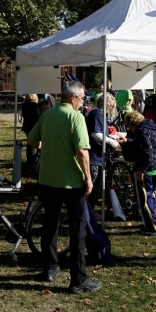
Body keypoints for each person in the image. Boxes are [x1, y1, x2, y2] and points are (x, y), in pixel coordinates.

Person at [26, 81, 101, 294]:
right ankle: (78, 279)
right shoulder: (76, 117)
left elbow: (32, 140)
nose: (84, 101)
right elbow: (82, 151)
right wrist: (88, 178)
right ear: (73, 98)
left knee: (50, 223)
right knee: (78, 227)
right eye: (83, 97)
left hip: (48, 179)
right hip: (72, 182)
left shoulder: (47, 115)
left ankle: (50, 267)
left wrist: (48, 144)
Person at [124, 111, 156, 236]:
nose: (130, 129)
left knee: (144, 199)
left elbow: (147, 150)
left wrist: (141, 169)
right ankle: (154, 219)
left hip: (148, 168)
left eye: (129, 126)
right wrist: (128, 140)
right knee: (150, 195)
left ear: (132, 124)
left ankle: (151, 228)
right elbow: (146, 144)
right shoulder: (152, 127)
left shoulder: (141, 131)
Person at [85, 93, 123, 207]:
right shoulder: (97, 114)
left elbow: (102, 134)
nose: (111, 108)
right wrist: (112, 142)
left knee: (97, 184)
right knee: (94, 184)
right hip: (94, 156)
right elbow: (96, 135)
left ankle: (89, 209)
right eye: (111, 106)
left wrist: (113, 137)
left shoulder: (98, 114)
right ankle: (88, 210)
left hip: (98, 155)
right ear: (106, 104)